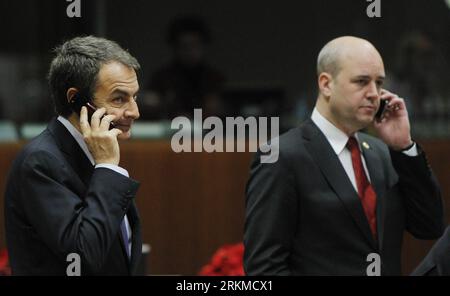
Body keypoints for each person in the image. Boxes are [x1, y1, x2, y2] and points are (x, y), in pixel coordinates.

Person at [244, 36, 445, 275]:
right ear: (326, 84)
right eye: (361, 82)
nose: (374, 94)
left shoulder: (382, 153)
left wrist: (404, 147)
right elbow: (264, 267)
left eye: (379, 83)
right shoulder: (281, 157)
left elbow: (429, 226)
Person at [4, 36, 142, 275]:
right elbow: (83, 255)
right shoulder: (40, 162)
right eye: (119, 98)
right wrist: (108, 168)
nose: (134, 112)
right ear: (76, 99)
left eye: (135, 97)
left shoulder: (92, 154)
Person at [143, 15, 226, 119]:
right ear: (175, 48)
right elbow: (150, 103)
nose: (190, 52)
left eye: (195, 45)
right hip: (171, 130)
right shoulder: (162, 77)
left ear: (204, 46)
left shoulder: (213, 77)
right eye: (184, 46)